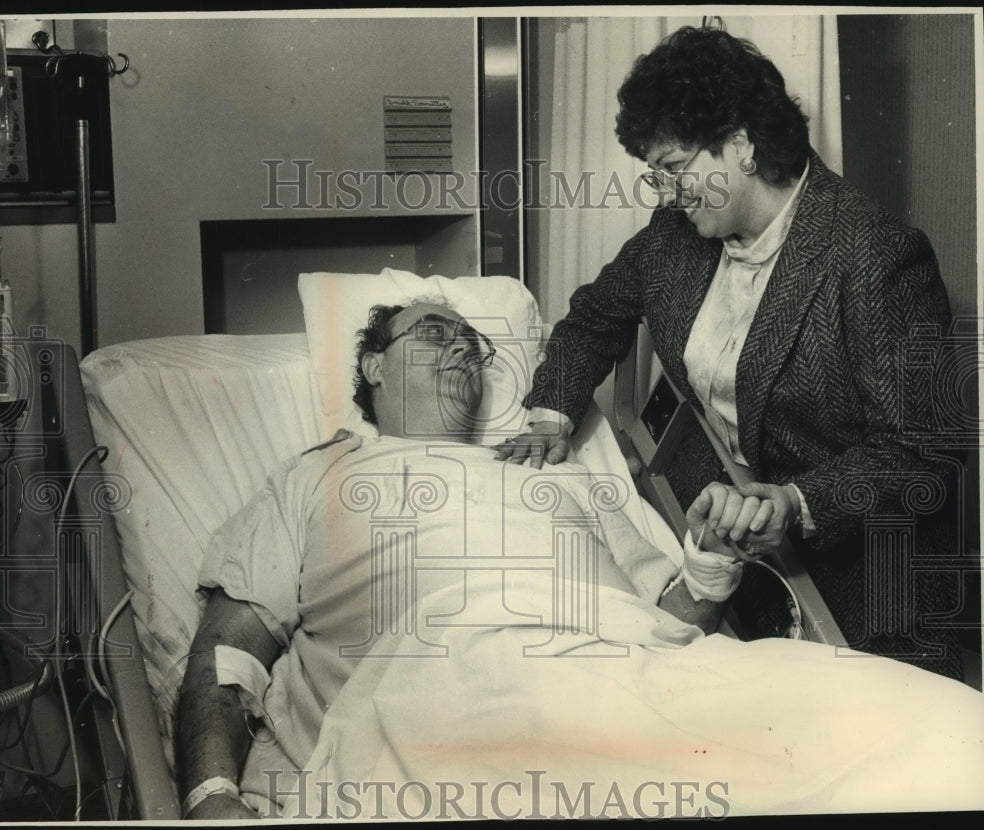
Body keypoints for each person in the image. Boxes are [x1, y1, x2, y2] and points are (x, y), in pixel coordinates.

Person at [494, 25, 966, 680]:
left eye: (675, 168)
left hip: (863, 576)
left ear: (741, 145)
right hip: (724, 532)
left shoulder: (873, 255)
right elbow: (595, 316)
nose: (664, 192)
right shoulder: (675, 237)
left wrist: (797, 503)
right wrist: (550, 413)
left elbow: (924, 452)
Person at [175, 300, 744, 820]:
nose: (462, 347)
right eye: (433, 332)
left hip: (628, 707)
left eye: (473, 341)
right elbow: (228, 650)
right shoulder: (318, 476)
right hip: (435, 725)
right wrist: (210, 796)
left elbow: (672, 630)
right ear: (375, 367)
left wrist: (710, 561)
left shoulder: (556, 474)